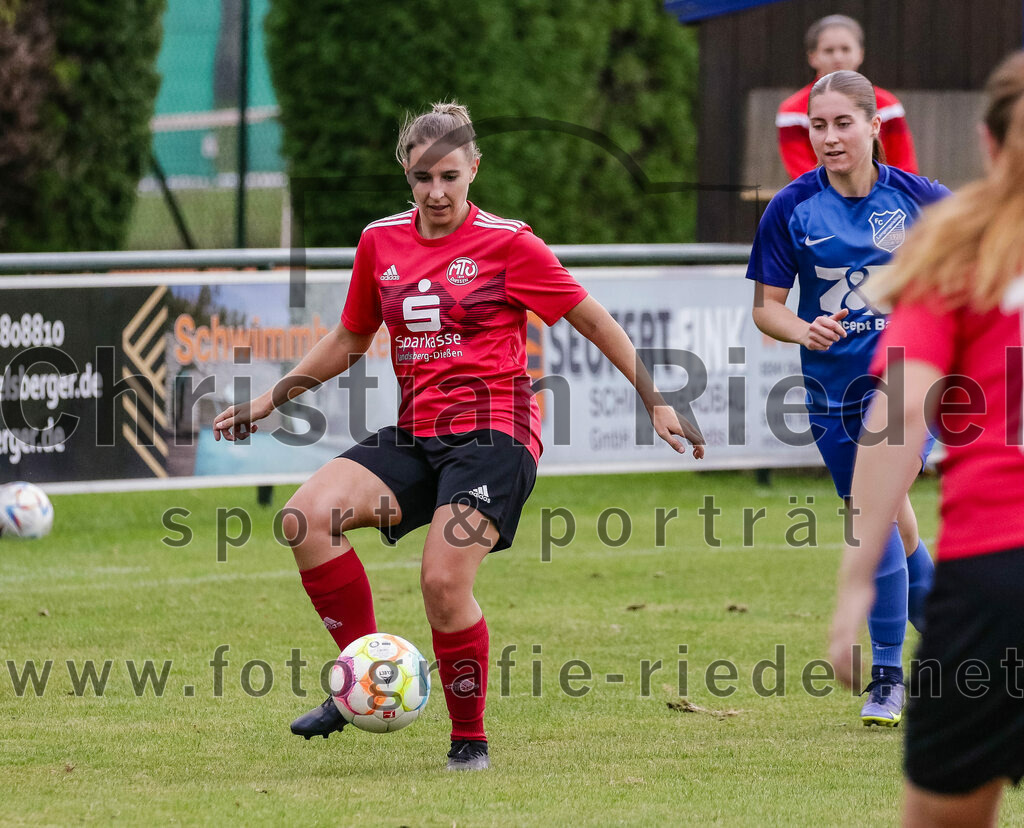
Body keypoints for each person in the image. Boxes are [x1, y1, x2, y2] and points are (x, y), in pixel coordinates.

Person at [213, 101, 704, 771]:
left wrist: (656, 399)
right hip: (418, 435)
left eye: (449, 175)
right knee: (304, 519)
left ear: (474, 168)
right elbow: (351, 337)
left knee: (443, 583)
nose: (436, 192)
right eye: (422, 178)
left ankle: (468, 742)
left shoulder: (509, 243)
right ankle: (362, 676)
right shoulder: (379, 242)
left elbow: (592, 320)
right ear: (406, 174)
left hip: (497, 437)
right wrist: (271, 399)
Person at [831, 51, 1024, 826]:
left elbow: (900, 413)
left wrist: (853, 586)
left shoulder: (952, 247)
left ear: (985, 142)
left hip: (993, 582)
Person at [748, 70, 949, 726]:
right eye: (818, 125)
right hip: (830, 394)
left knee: (877, 508)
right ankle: (968, 643)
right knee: (893, 523)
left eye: (842, 123)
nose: (829, 137)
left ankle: (888, 676)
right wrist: (804, 327)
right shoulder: (792, 208)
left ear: (873, 126)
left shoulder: (923, 201)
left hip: (905, 387)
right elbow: (766, 311)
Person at [777, 15, 918, 179]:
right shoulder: (792, 112)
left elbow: (905, 168)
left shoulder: (888, 105)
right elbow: (801, 174)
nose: (838, 57)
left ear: (860, 54)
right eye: (828, 50)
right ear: (812, 57)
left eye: (845, 49)